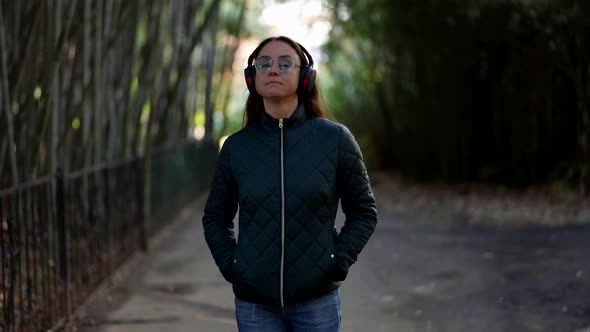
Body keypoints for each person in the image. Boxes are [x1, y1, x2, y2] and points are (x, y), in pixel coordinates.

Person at [202, 36, 377, 332]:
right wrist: (233, 266)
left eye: (285, 64)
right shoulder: (236, 147)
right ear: (251, 77)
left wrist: (337, 260)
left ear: (305, 77)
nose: (273, 70)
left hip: (316, 300)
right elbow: (215, 217)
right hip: (255, 303)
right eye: (264, 64)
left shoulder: (335, 139)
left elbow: (364, 211)